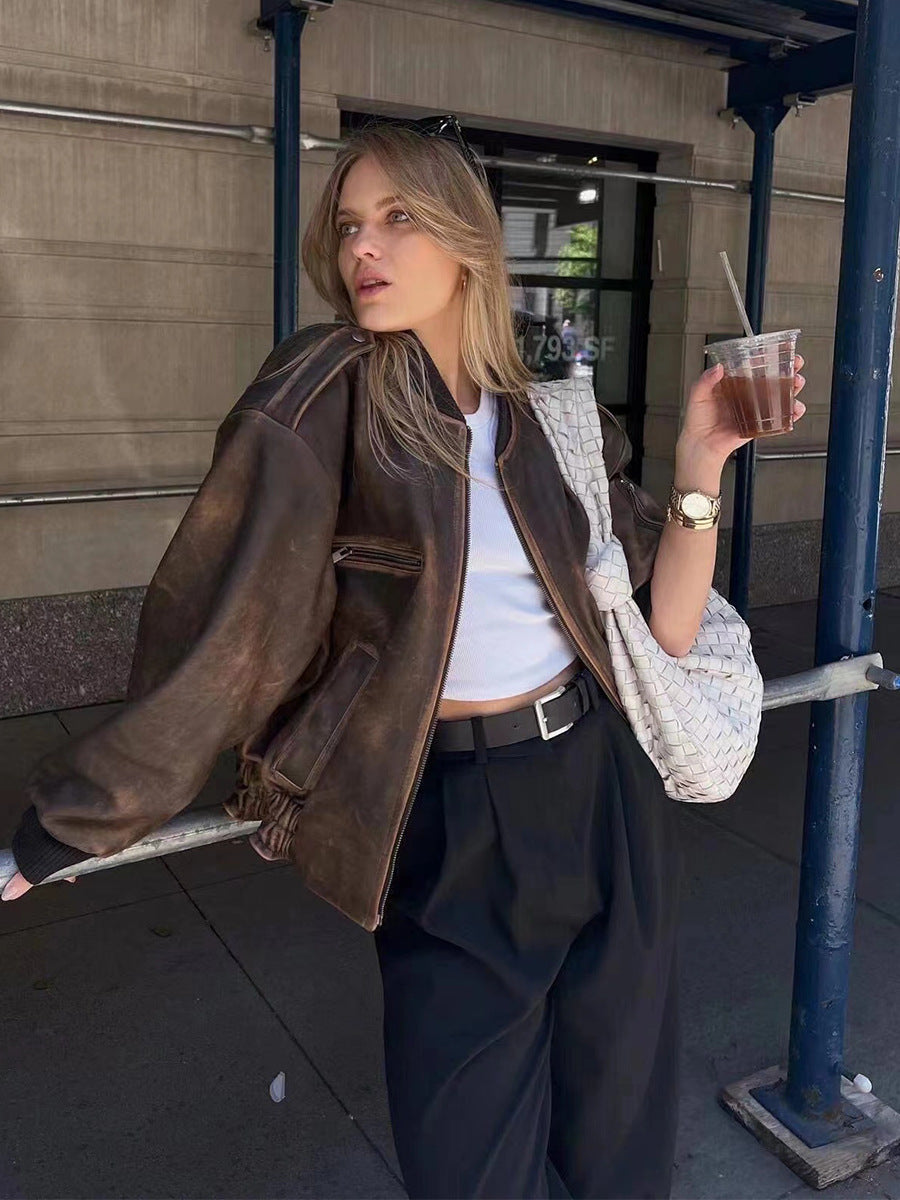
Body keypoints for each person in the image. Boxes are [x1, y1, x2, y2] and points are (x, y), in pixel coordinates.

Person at [2, 115, 806, 1198]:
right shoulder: (329, 389)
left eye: (397, 218)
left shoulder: (548, 397)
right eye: (348, 226)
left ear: (467, 238)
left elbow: (658, 628)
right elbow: (225, 629)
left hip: (597, 784)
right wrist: (68, 823)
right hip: (447, 812)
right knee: (468, 1162)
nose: (363, 249)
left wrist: (703, 458)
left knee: (620, 1140)